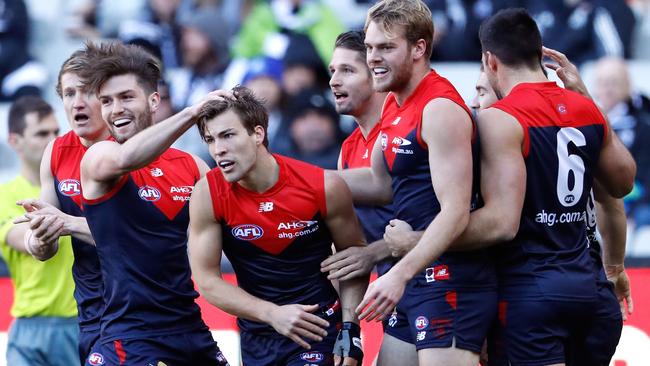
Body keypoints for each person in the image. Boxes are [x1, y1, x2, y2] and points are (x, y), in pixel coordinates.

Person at [424, 8, 634, 365]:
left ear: (490, 61)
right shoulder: (584, 108)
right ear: (541, 55)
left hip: (531, 293)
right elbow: (621, 185)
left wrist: (418, 242)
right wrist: (584, 97)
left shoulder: (500, 119)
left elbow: (500, 223)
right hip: (591, 293)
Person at [31, 41, 230, 365]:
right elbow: (125, 158)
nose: (114, 109)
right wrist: (40, 234)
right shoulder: (94, 156)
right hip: (119, 326)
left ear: (154, 100)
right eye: (107, 100)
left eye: (125, 97)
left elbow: (235, 235)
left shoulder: (191, 166)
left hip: (187, 324)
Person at [335, 1, 497, 365]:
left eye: (386, 48)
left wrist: (397, 274)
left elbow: (456, 213)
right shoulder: (394, 100)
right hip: (415, 279)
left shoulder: (438, 108)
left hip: (451, 279)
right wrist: (292, 179)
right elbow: (379, 182)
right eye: (370, 47)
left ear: (419, 48)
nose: (374, 57)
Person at [187, 85, 368, 366]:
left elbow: (355, 258)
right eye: (210, 139)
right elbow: (208, 281)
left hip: (319, 330)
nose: (218, 149)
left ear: (257, 134)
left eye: (227, 135)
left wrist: (350, 330)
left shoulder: (323, 186)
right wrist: (272, 313)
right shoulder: (207, 193)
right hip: (257, 335)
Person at [321, 30, 417, 366]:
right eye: (332, 71)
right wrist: (350, 330)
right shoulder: (347, 150)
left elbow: (445, 216)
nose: (334, 81)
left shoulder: (406, 132)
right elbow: (349, 249)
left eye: (347, 71)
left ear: (376, 74)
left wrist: (375, 252)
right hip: (393, 297)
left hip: (439, 283)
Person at [13, 48, 111, 363]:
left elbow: (140, 240)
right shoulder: (56, 153)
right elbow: (41, 247)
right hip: (86, 312)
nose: (77, 102)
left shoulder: (134, 151)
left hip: (145, 308)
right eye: (69, 93)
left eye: (87, 91)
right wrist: (40, 234)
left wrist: (65, 222)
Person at [0, 96, 79, 366]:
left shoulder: (79, 187)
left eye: (57, 132)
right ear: (15, 141)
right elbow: (23, 239)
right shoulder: (4, 195)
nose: (53, 139)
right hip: (30, 328)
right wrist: (45, 233)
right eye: (41, 133)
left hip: (84, 322)